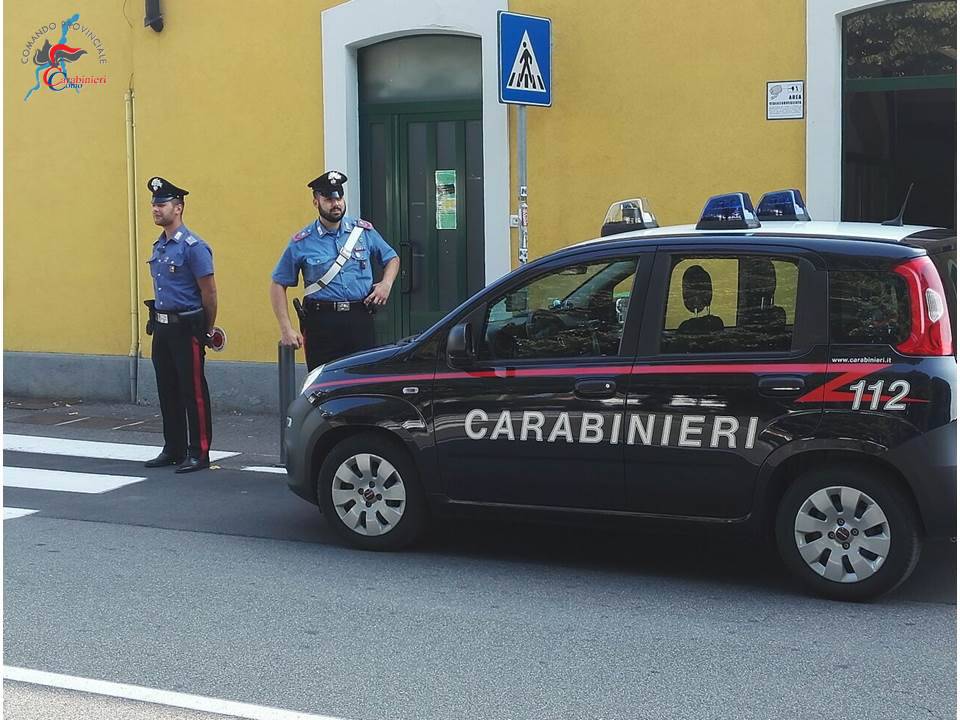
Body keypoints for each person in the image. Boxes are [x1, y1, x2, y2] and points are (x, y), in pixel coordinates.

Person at [270, 171, 400, 370]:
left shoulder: (363, 231)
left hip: (359, 318)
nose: (336, 203)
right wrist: (286, 328)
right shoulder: (302, 241)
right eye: (329, 199)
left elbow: (392, 258)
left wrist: (386, 284)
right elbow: (278, 283)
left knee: (362, 381)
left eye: (339, 197)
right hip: (322, 322)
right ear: (316, 202)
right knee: (323, 384)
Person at [143, 177, 218, 473]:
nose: (155, 210)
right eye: (154, 205)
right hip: (162, 327)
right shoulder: (160, 246)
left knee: (193, 391)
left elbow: (209, 292)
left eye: (161, 204)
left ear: (179, 207)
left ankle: (199, 451)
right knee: (167, 388)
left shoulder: (193, 247)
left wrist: (206, 329)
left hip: (187, 327)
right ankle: (172, 447)